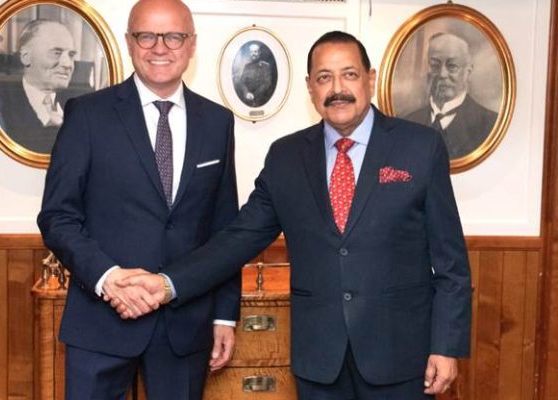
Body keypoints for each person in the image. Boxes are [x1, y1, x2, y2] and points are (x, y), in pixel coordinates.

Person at [114, 31, 472, 399]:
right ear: (310, 87)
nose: (337, 88)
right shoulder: (286, 157)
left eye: (349, 74)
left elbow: (451, 264)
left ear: (370, 78)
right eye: (324, 77)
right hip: (320, 364)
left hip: (401, 359)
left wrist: (446, 346)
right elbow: (237, 239)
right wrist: (168, 283)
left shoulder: (420, 147)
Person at [37, 0, 241, 398]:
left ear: (191, 44)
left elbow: (225, 231)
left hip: (185, 325)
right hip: (101, 320)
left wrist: (224, 315)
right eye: (146, 36)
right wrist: (109, 279)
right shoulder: (87, 115)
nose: (159, 47)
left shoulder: (218, 122)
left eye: (173, 36)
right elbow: (57, 217)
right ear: (129, 42)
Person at [405, 32, 498, 159]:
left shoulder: (490, 124)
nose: (442, 74)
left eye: (452, 66)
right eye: (435, 65)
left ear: (468, 71)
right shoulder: (409, 122)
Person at [1, 20, 83, 153]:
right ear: (26, 57)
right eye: (56, 53)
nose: (68, 64)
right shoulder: (1, 106)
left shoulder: (80, 105)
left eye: (71, 55)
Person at [235, 42, 275, 107]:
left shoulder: (265, 66)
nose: (253, 54)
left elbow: (267, 83)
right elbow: (242, 82)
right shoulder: (247, 66)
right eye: (251, 52)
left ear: (259, 53)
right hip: (248, 100)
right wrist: (246, 92)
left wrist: (254, 95)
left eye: (255, 51)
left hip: (261, 100)